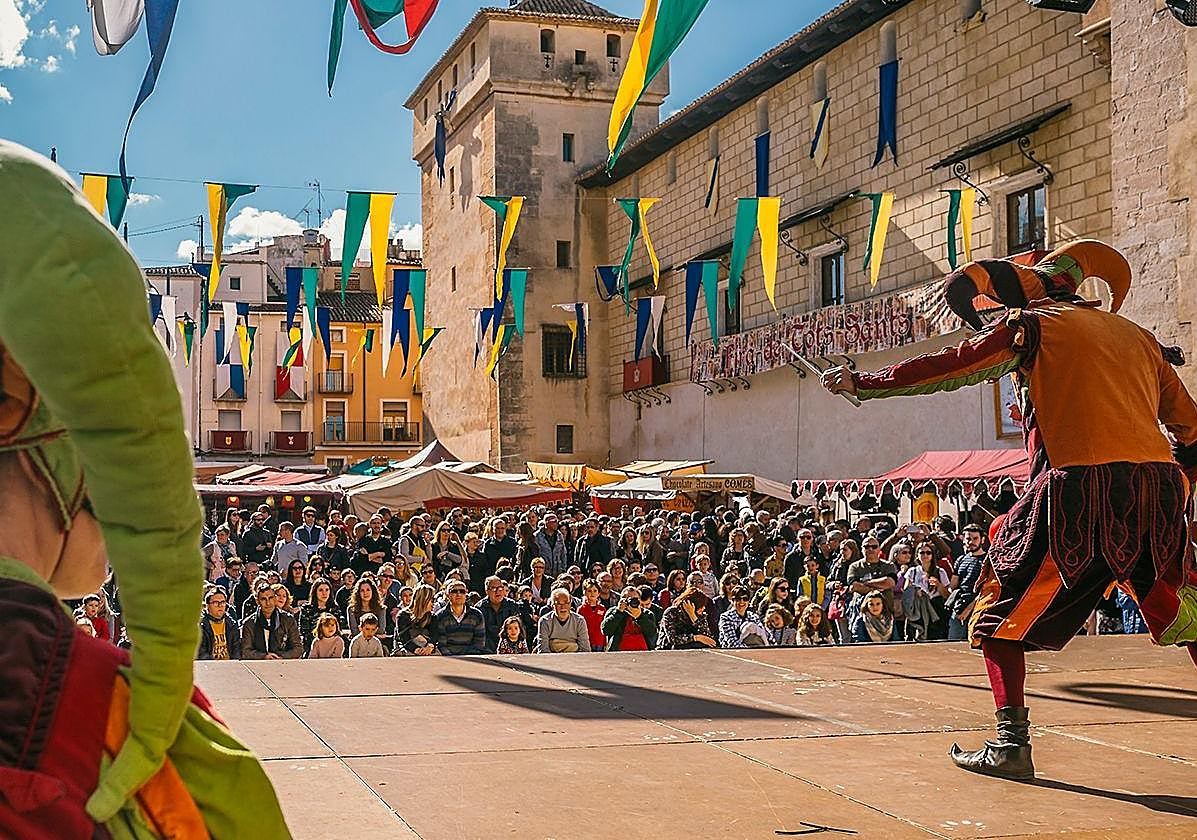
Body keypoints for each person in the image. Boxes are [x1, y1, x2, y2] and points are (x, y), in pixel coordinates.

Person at [240, 583, 303, 660]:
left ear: (275, 598)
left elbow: (298, 648)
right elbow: (245, 652)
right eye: (263, 599)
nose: (268, 603)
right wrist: (264, 656)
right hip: (258, 666)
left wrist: (281, 656)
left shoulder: (288, 620)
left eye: (270, 598)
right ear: (257, 601)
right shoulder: (249, 623)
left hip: (284, 664)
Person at [946, 524, 987, 641]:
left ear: (982, 540)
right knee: (953, 643)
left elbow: (987, 589)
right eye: (968, 538)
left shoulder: (987, 561)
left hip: (979, 608)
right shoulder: (961, 560)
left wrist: (969, 609)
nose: (971, 542)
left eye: (975, 538)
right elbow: (952, 586)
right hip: (959, 606)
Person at [433, 582, 488, 655]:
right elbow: (442, 644)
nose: (458, 594)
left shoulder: (477, 615)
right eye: (454, 591)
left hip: (472, 658)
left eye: (462, 591)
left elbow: (479, 643)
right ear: (448, 595)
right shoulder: (440, 616)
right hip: (448, 658)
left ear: (466, 594)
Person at [600, 586, 658, 651]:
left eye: (635, 599)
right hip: (618, 655)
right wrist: (618, 613)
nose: (632, 601)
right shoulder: (613, 611)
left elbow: (652, 633)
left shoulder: (647, 613)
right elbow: (606, 631)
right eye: (628, 598)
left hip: (643, 654)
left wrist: (640, 616)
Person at [536, 588, 592, 653]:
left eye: (566, 603)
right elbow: (543, 650)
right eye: (559, 604)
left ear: (570, 604)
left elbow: (585, 649)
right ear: (553, 606)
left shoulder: (579, 621)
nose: (563, 607)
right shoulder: (545, 621)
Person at [477, 576, 523, 653]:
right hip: (487, 649)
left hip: (509, 649)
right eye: (494, 589)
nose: (498, 592)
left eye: (500, 588)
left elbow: (518, 629)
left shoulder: (512, 605)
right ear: (487, 591)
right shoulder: (480, 608)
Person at [393, 584, 439, 656]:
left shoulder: (432, 617)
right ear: (424, 599)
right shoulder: (403, 615)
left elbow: (434, 635)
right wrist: (416, 649)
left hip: (427, 649)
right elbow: (404, 637)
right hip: (408, 649)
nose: (434, 603)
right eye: (432, 600)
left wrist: (430, 646)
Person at [197, 587, 241, 660]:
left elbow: (236, 650)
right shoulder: (201, 626)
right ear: (207, 605)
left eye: (223, 602)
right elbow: (201, 653)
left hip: (231, 666)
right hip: (209, 666)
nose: (220, 605)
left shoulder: (232, 624)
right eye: (216, 603)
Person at [299, 577, 337, 655]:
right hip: (312, 645)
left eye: (327, 590)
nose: (324, 593)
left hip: (332, 645)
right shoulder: (306, 609)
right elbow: (305, 632)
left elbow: (337, 630)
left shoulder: (334, 608)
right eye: (320, 590)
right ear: (315, 592)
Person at [578, 579, 608, 651]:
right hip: (586, 641)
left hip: (599, 641)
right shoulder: (581, 609)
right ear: (584, 592)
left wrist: (605, 643)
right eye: (589, 591)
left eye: (595, 591)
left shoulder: (602, 608)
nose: (592, 593)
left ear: (598, 593)